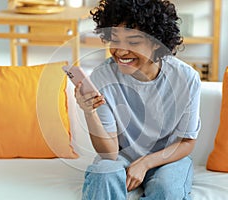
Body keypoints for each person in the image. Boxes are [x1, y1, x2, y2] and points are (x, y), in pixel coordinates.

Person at [74, 0, 201, 199]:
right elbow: (109, 152)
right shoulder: (102, 77)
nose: (121, 52)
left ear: (157, 42)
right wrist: (89, 112)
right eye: (115, 40)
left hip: (168, 160)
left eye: (133, 42)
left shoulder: (186, 78)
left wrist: (145, 163)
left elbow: (186, 142)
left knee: (167, 190)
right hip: (120, 157)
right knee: (104, 174)